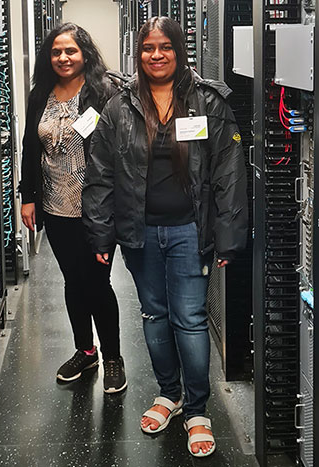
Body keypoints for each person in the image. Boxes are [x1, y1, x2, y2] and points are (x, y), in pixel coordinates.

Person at [82, 16, 247, 457]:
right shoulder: (119, 108)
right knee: (154, 315)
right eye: (148, 48)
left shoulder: (210, 102)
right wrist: (101, 235)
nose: (156, 55)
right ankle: (169, 394)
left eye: (165, 47)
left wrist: (228, 235)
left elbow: (229, 172)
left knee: (189, 319)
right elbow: (99, 175)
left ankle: (197, 410)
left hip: (189, 232)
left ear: (179, 49)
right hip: (139, 233)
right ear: (139, 54)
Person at [19, 23, 127, 394]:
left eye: (71, 51)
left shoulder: (102, 92)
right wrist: (27, 195)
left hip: (96, 209)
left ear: (85, 54)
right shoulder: (40, 96)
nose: (63, 58)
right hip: (55, 206)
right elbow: (29, 148)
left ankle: (113, 358)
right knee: (73, 282)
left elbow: (116, 149)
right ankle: (86, 350)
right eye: (56, 52)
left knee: (97, 283)